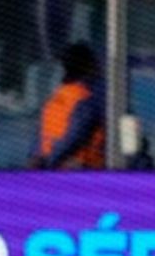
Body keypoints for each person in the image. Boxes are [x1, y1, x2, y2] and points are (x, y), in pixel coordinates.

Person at [29, 42, 105, 170]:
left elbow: (40, 136)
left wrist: (37, 158)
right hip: (78, 167)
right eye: (95, 62)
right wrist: (52, 162)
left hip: (49, 164)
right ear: (89, 66)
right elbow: (74, 137)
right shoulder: (86, 100)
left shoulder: (54, 98)